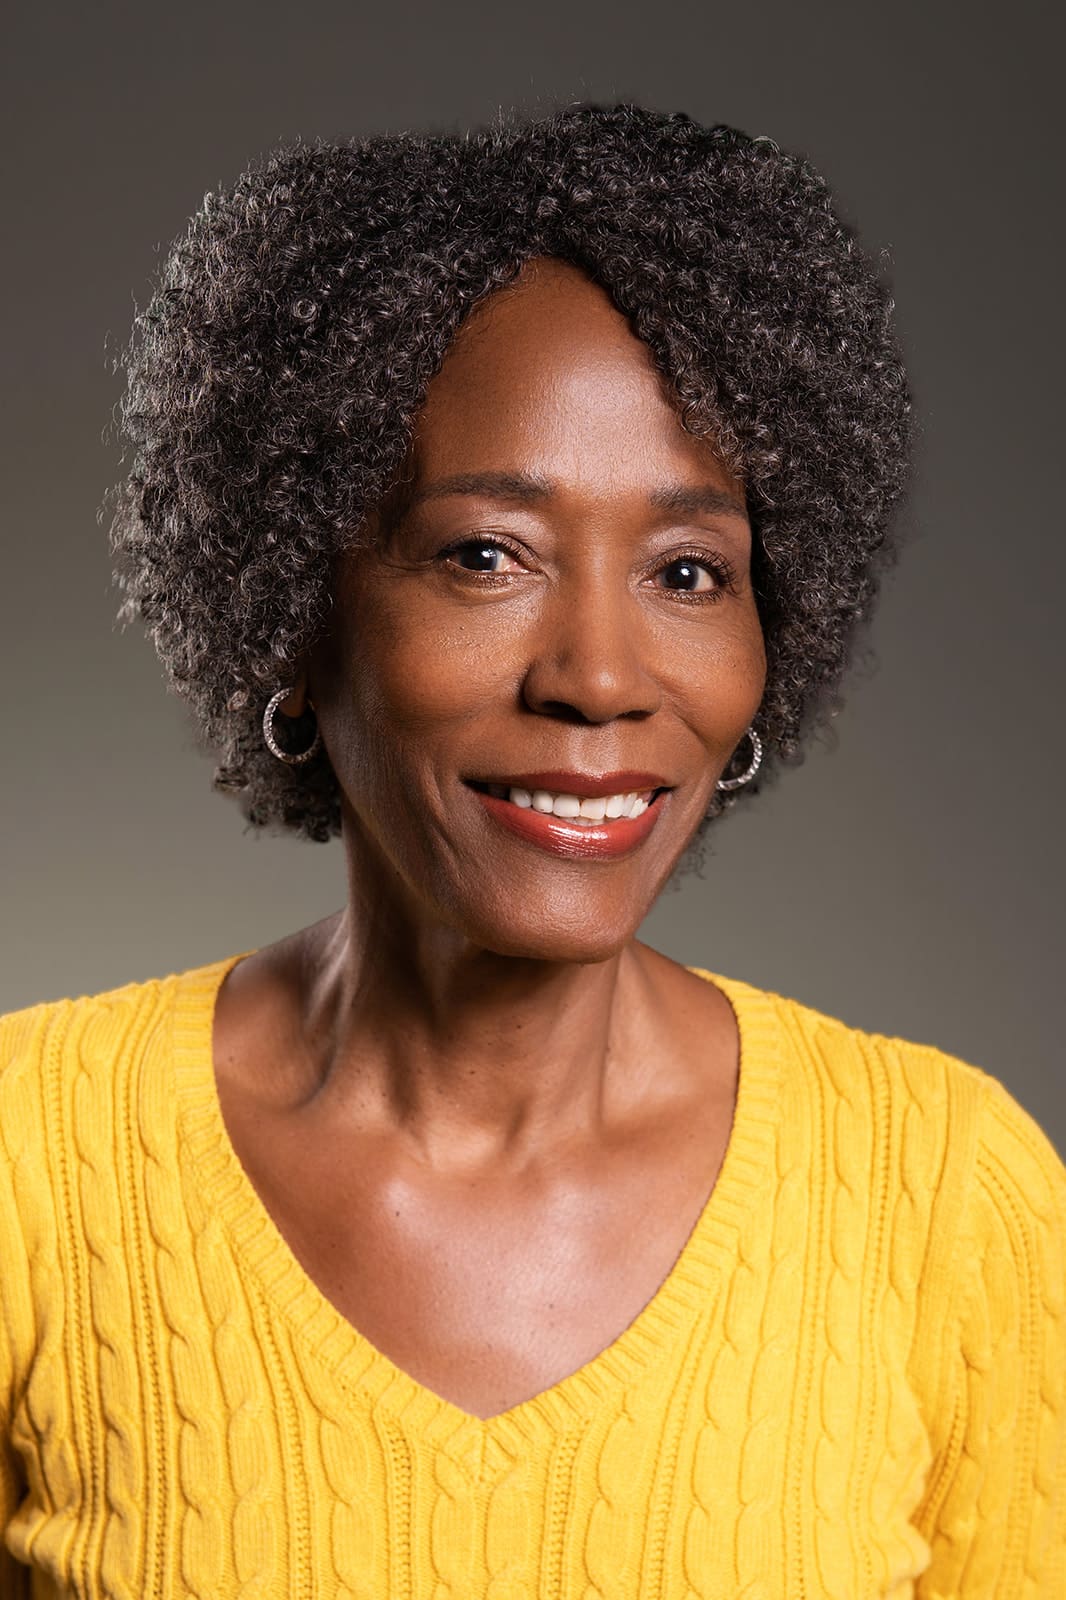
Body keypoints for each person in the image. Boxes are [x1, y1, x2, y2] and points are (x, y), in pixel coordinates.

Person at [1, 102, 1063, 1599]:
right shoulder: (31, 1162)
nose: (601, 674)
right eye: (485, 555)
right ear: (294, 614)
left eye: (688, 571)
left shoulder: (945, 1191)